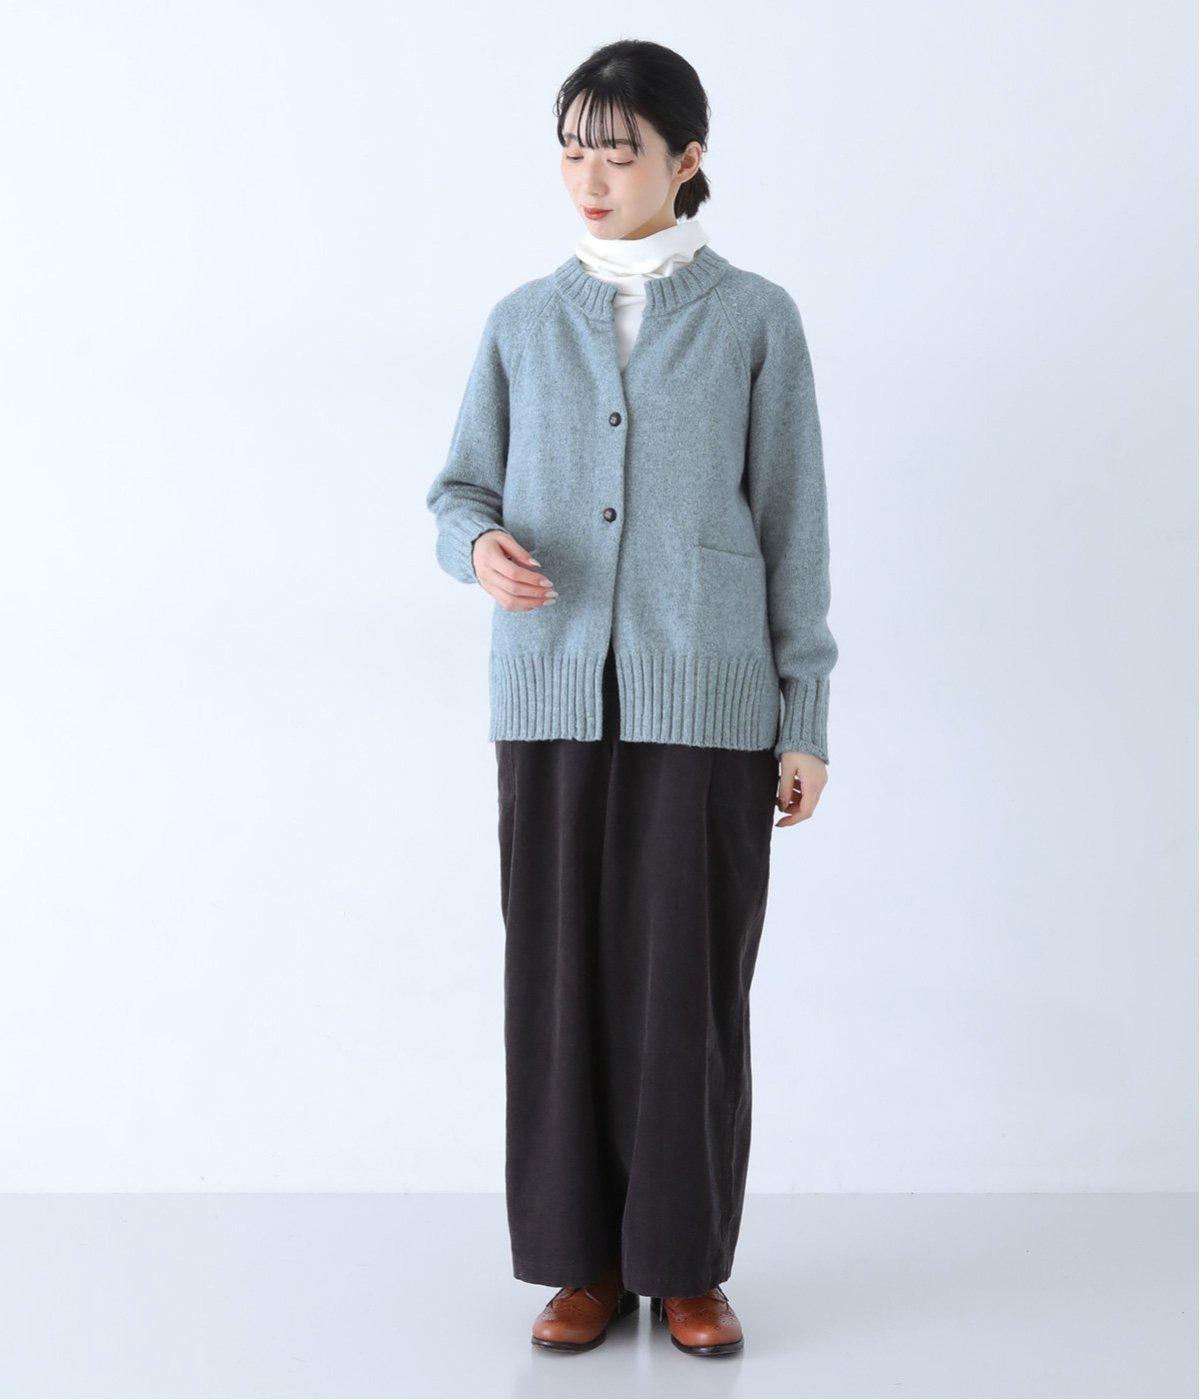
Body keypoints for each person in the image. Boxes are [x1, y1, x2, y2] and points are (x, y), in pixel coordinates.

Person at [425, 38, 837, 1358]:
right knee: (558, 988)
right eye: (573, 151)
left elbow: (793, 524)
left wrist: (804, 718)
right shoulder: (521, 321)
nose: (591, 178)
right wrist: (476, 547)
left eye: (619, 151)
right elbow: (458, 490)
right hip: (550, 698)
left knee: (690, 993)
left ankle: (687, 1264)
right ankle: (582, 1266)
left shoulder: (756, 318)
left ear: (686, 159)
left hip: (706, 706)